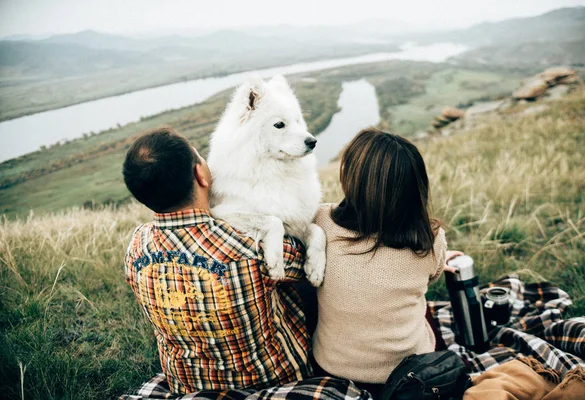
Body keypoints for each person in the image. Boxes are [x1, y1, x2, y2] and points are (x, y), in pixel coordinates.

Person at [121, 128, 312, 394]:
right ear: (201, 174)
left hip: (186, 384)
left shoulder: (136, 247)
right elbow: (305, 261)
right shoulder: (248, 246)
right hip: (272, 378)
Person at [311, 128, 462, 398]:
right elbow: (430, 277)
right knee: (419, 304)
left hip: (333, 368)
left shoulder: (321, 222)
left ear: (352, 178)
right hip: (413, 371)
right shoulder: (431, 239)